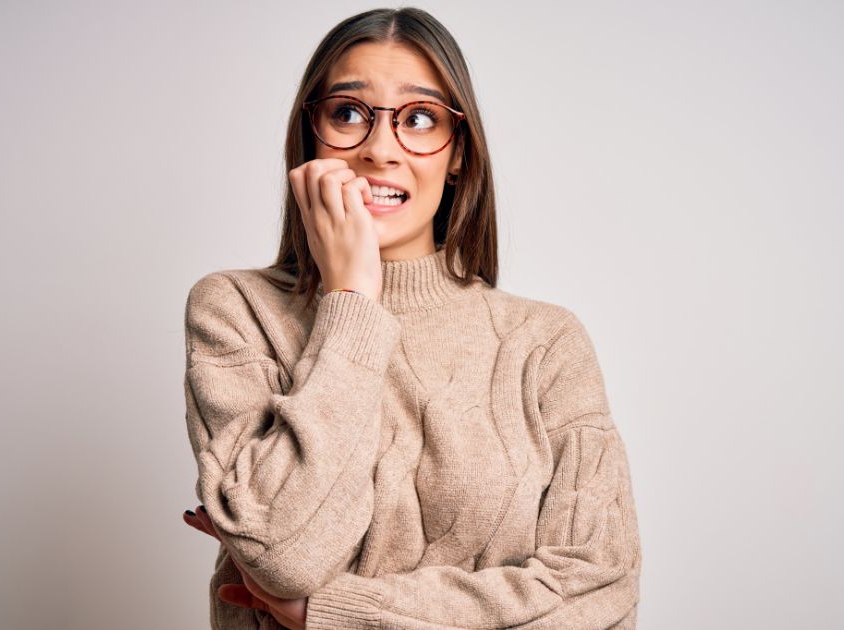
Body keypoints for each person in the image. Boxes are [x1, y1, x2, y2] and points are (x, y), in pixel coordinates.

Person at [181, 7, 641, 629]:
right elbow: (285, 559)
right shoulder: (235, 311)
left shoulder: (546, 344)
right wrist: (352, 301)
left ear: (458, 156)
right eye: (347, 112)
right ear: (310, 135)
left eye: (419, 119)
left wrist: (340, 612)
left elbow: (599, 594)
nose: (378, 149)